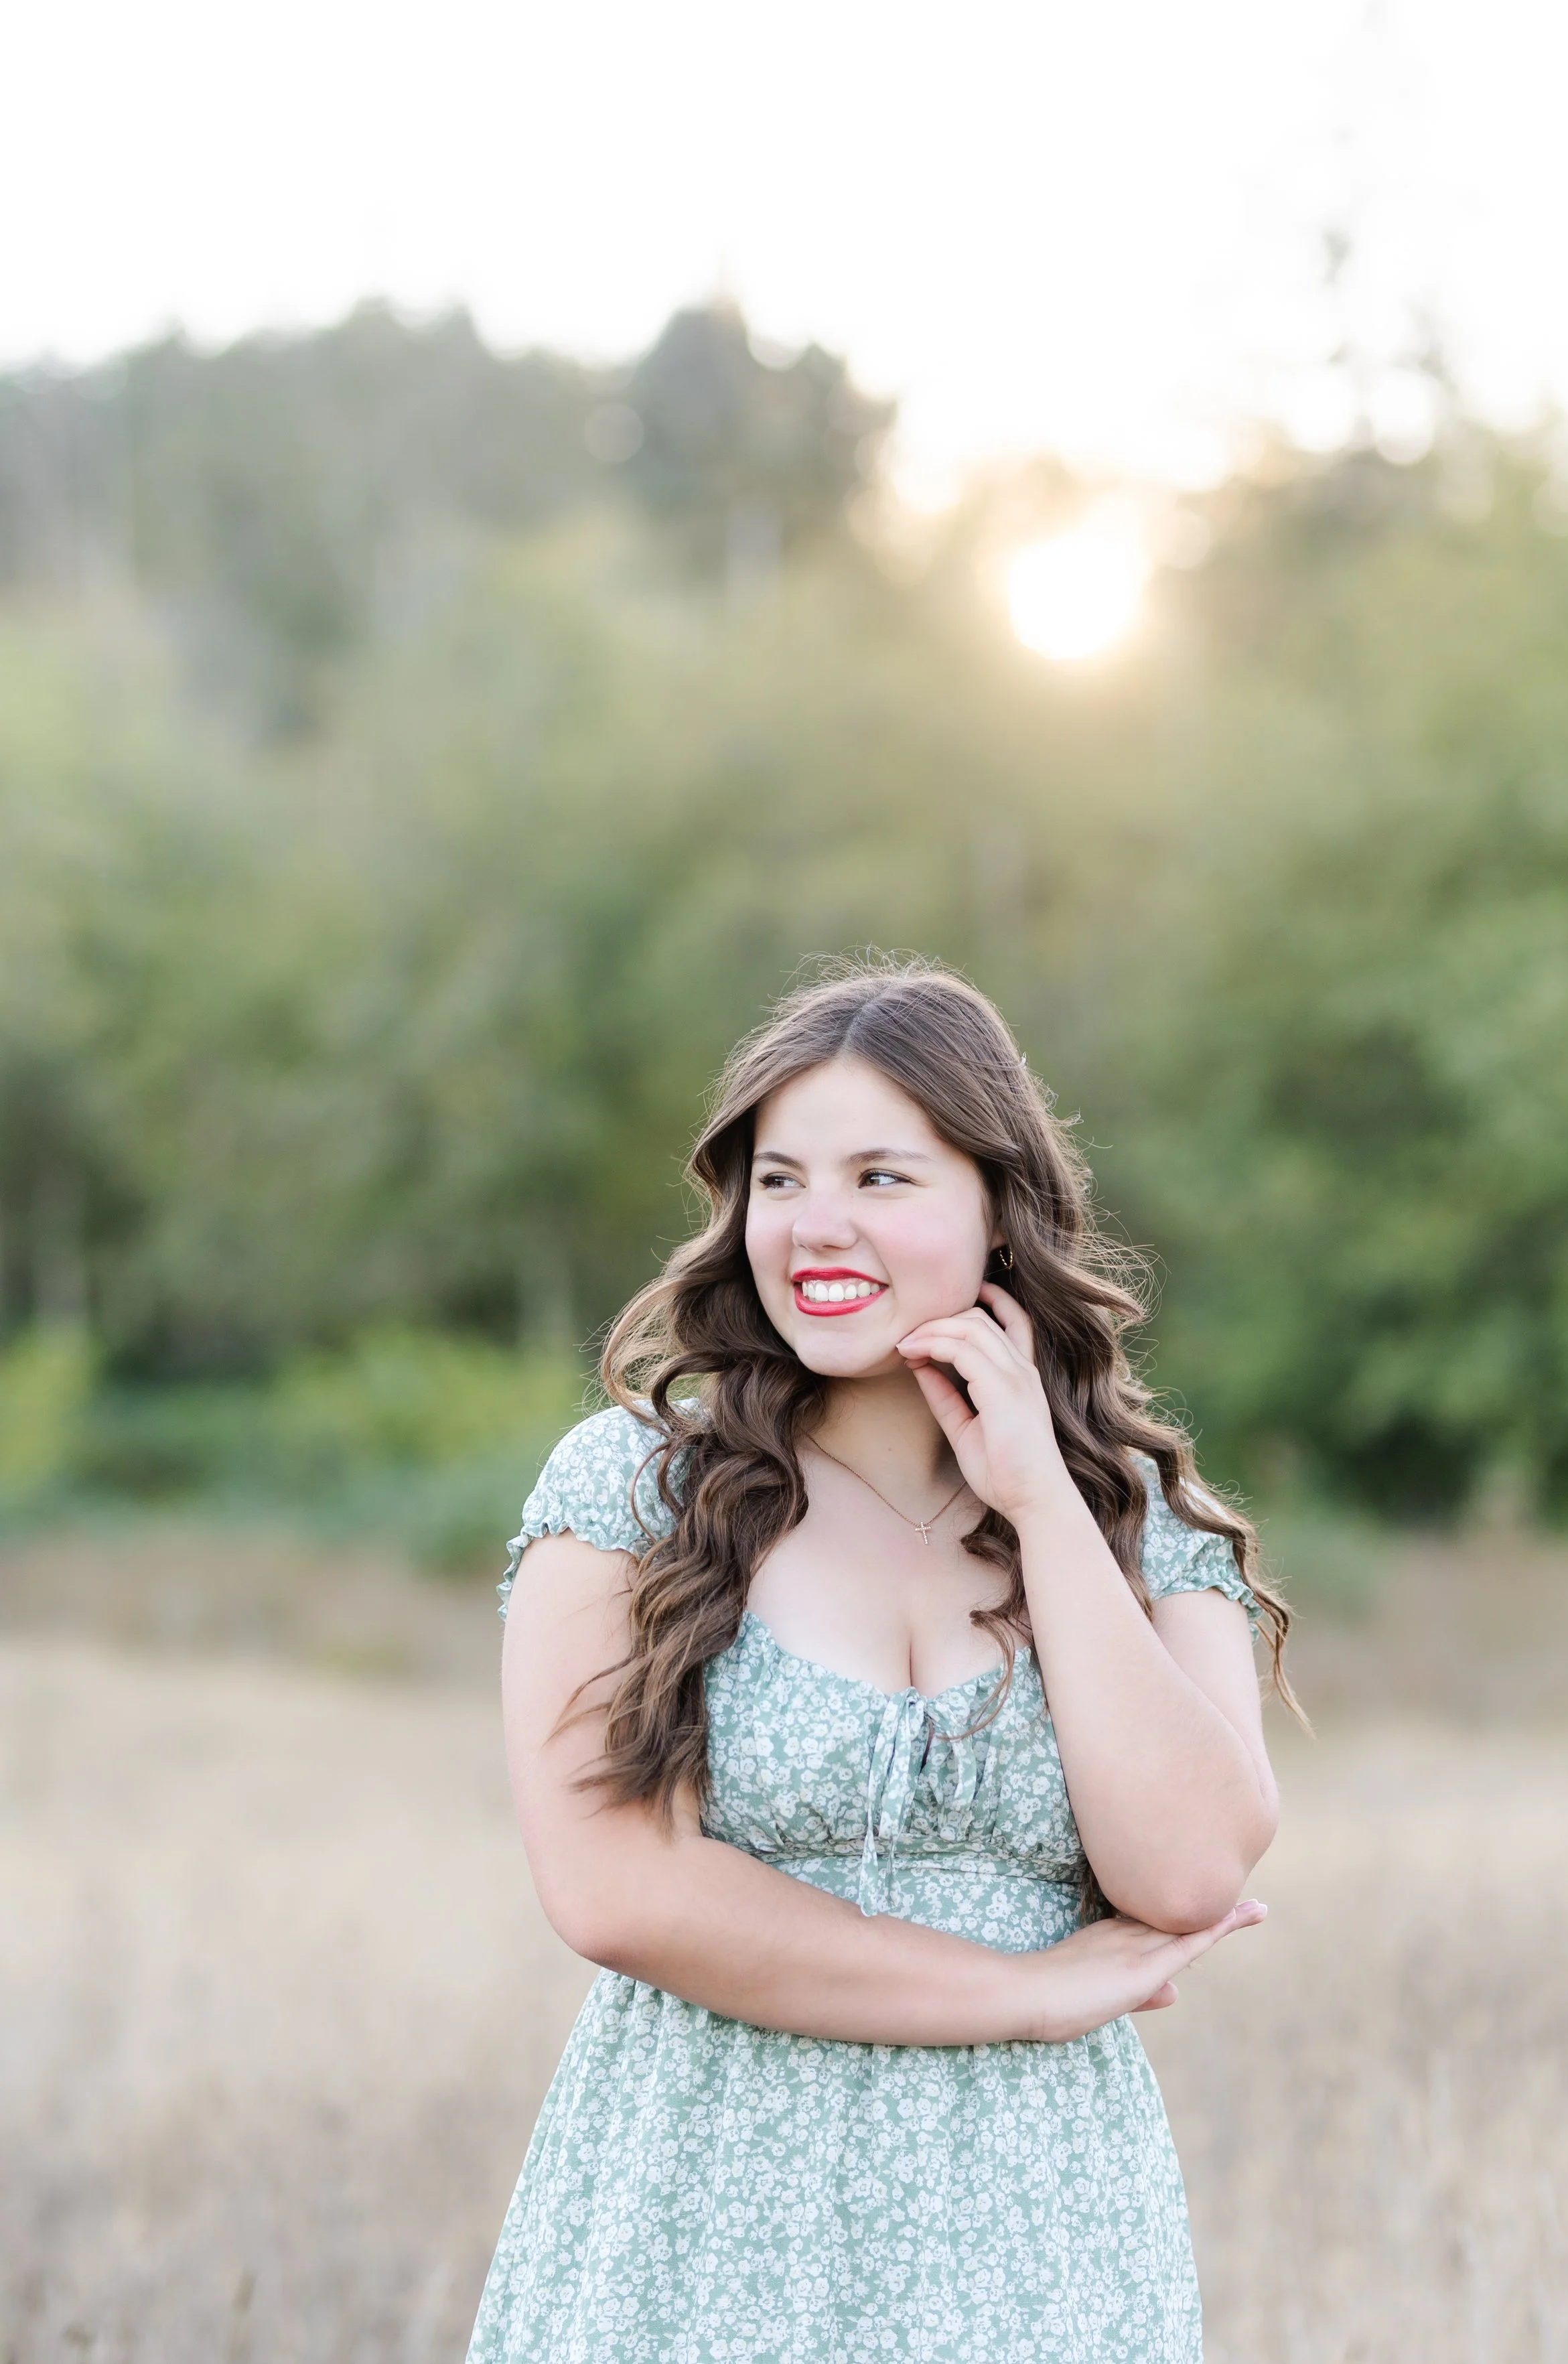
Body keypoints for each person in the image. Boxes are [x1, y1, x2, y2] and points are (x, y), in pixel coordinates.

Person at [466, 961, 1289, 2364]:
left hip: (1033, 2234)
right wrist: (1022, 1992)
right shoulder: (631, 1490)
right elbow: (612, 1889)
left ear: (997, 1208)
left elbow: (1190, 1870)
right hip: (703, 2219)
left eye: (880, 1178)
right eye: (779, 1180)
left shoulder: (1135, 1521)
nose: (815, 1225)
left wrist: (1040, 1501)